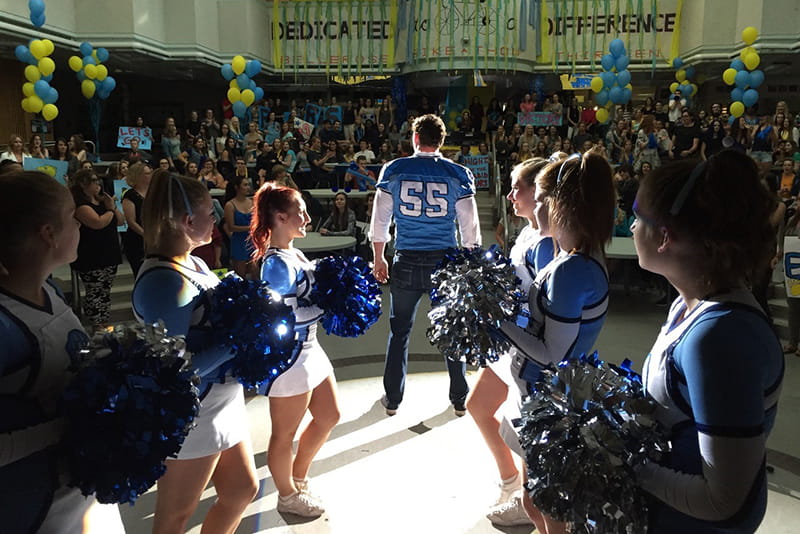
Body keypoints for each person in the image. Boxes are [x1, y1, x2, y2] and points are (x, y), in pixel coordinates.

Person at [630, 151, 783, 533]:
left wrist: (623, 463)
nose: (632, 228)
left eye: (638, 216)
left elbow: (724, 501)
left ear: (665, 235)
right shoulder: (690, 307)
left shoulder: (719, 337)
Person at [132, 170, 258, 533]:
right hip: (194, 415)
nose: (216, 220)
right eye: (210, 213)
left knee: (240, 490)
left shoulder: (195, 261)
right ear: (188, 221)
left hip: (222, 402)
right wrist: (236, 340)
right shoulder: (163, 281)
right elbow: (173, 371)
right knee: (174, 517)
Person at [0, 171, 126, 534]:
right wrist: (69, 426)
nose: (80, 225)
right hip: (38, 510)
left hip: (83, 489)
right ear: (48, 234)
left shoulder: (49, 289)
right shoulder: (6, 324)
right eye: (72, 217)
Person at [499, 150, 615, 534]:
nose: (537, 206)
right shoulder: (572, 256)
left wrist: (497, 321)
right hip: (537, 396)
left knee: (552, 510)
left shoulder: (572, 271)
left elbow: (552, 356)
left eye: (544, 200)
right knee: (537, 502)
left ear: (563, 205)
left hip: (548, 400)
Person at [370, 114, 481, 416]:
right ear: (442, 141)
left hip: (406, 257)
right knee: (451, 329)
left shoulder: (395, 169)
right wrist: (470, 264)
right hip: (445, 261)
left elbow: (380, 220)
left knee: (399, 331)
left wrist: (379, 257)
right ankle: (459, 397)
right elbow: (470, 228)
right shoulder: (457, 173)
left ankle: (393, 399)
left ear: (415, 138)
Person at [467, 158, 554, 527]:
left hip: (528, 345)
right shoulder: (525, 234)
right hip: (510, 338)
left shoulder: (548, 244)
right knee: (478, 406)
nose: (510, 194)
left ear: (539, 193)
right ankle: (511, 483)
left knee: (523, 428)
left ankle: (526, 500)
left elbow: (546, 308)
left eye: (518, 187)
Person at [250, 184, 341, 517]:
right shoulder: (274, 264)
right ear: (279, 217)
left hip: (312, 349)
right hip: (291, 358)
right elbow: (281, 317)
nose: (306, 217)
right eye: (300, 211)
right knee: (283, 434)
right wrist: (327, 307)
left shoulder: (293, 252)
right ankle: (287, 495)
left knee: (329, 415)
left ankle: (298, 477)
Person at [69, 169, 123, 333]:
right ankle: (96, 324)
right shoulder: (81, 205)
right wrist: (109, 210)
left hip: (109, 252)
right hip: (91, 255)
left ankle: (105, 320)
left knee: (105, 290)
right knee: (94, 290)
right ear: (83, 184)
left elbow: (120, 221)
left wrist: (112, 207)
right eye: (93, 180)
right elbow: (97, 223)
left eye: (98, 180)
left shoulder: (103, 202)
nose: (98, 184)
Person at [121, 162, 152, 277]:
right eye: (147, 173)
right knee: (141, 273)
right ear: (138, 176)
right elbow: (131, 221)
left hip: (154, 236)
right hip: (137, 238)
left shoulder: (152, 193)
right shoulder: (130, 195)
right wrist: (146, 235)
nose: (150, 175)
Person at [223, 174, 255, 279]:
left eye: (248, 185)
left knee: (255, 273)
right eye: (245, 185)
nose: (248, 188)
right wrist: (250, 228)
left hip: (252, 241)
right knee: (241, 276)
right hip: (239, 241)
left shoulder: (252, 202)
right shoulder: (230, 205)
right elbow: (231, 227)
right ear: (237, 187)